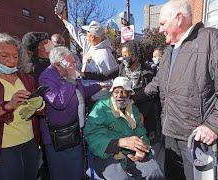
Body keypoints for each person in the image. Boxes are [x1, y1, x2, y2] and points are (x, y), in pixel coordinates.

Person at [134, 0, 218, 179]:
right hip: (170, 136)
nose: (159, 29)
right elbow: (156, 85)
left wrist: (214, 126)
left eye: (163, 23)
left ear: (179, 18)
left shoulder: (213, 39)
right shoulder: (169, 51)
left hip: (198, 140)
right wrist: (130, 97)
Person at [38, 46, 107, 180]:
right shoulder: (47, 77)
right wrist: (70, 78)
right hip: (60, 136)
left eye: (75, 63)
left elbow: (81, 92)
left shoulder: (69, 73)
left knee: (77, 171)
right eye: (71, 63)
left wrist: (99, 85)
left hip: (75, 130)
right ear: (58, 64)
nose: (74, 66)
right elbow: (59, 101)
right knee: (63, 173)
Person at [84, 77, 165, 180]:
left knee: (155, 172)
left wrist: (142, 149)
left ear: (130, 94)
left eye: (124, 92)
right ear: (112, 92)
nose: (119, 96)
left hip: (130, 153)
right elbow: (92, 135)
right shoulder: (101, 108)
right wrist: (119, 143)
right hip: (106, 154)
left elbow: (140, 132)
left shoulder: (133, 109)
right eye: (116, 91)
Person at [80, 41, 160, 141]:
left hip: (144, 112)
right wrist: (84, 74)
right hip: (127, 111)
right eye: (122, 56)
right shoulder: (121, 67)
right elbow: (104, 75)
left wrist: (141, 112)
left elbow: (149, 94)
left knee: (143, 141)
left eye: (126, 55)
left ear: (135, 55)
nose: (123, 59)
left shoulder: (148, 71)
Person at [0, 32, 44, 180]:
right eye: (4, 55)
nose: (11, 61)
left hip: (30, 142)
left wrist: (39, 106)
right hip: (2, 148)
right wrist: (9, 105)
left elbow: (38, 108)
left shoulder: (27, 79)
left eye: (15, 56)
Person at [56, 6, 117, 100]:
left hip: (99, 98)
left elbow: (112, 80)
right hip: (87, 92)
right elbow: (76, 33)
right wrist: (64, 19)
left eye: (87, 32)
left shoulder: (105, 55)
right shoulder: (89, 44)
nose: (85, 34)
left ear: (92, 37)